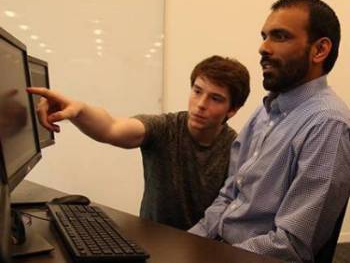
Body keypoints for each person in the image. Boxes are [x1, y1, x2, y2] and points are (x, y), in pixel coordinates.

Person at [189, 0, 350, 262]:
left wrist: (213, 256)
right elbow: (228, 197)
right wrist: (185, 243)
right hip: (219, 248)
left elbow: (291, 246)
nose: (263, 47)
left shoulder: (327, 124)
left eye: (280, 36)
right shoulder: (265, 111)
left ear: (319, 50)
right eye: (264, 36)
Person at [27, 55, 250, 230]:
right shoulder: (165, 127)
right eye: (197, 91)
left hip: (202, 248)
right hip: (152, 238)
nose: (201, 104)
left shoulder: (237, 148)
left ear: (232, 109)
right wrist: (78, 111)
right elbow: (111, 128)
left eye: (215, 98)